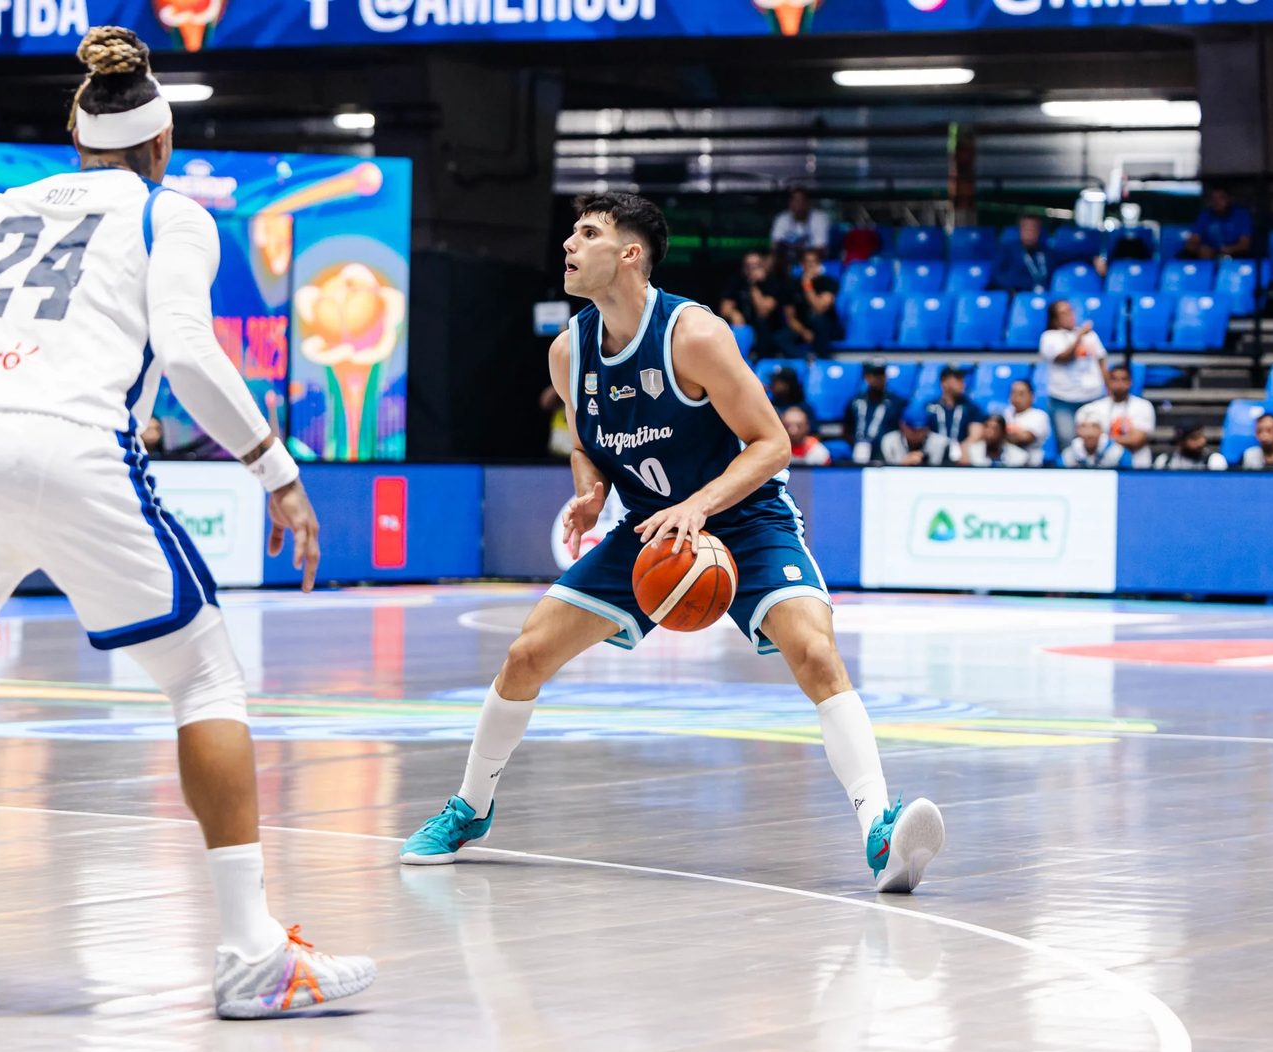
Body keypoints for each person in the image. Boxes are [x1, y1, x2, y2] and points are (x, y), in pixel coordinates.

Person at [0, 26, 374, 1019]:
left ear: (75, 138)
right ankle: (251, 952)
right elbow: (187, 353)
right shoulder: (169, 214)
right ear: (162, 142)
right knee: (204, 675)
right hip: (76, 445)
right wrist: (277, 470)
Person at [398, 192, 943, 895]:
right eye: (571, 232)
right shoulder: (568, 353)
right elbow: (586, 441)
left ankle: (879, 828)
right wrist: (590, 487)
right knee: (526, 653)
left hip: (744, 517)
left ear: (630, 253)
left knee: (814, 652)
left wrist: (699, 505)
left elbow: (772, 443)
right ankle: (470, 807)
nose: (568, 244)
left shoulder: (695, 335)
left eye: (587, 233)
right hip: (651, 527)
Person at [1038, 300, 1107, 448]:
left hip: (1093, 398)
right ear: (1054, 319)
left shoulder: (1091, 335)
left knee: (1097, 442)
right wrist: (1079, 336)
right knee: (1067, 441)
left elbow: (1101, 361)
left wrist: (1108, 387)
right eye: (1063, 313)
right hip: (1064, 400)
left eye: (1070, 311)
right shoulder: (1049, 337)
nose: (1069, 315)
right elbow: (1064, 357)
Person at [1078, 364, 1155, 469]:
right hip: (1104, 466)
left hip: (1138, 466)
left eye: (1123, 379)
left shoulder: (1143, 406)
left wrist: (1102, 439)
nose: (1119, 384)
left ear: (1130, 382)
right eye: (1115, 379)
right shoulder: (1094, 408)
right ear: (1108, 382)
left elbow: (1136, 441)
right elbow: (1087, 438)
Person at [774, 248, 843, 359]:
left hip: (827, 326)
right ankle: (804, 359)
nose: (811, 265)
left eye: (814, 262)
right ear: (802, 264)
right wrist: (804, 332)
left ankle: (823, 360)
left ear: (819, 264)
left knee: (818, 321)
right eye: (808, 262)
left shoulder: (828, 282)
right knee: (780, 337)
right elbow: (790, 318)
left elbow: (819, 308)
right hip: (803, 327)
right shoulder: (792, 285)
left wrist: (807, 285)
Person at [718, 251, 779, 359]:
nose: (752, 270)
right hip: (744, 327)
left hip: (767, 329)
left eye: (755, 266)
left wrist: (753, 286)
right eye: (748, 266)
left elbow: (763, 311)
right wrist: (734, 314)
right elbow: (724, 308)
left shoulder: (771, 282)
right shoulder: (737, 282)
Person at [843, 362, 903, 464]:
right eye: (875, 375)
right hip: (858, 450)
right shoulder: (855, 402)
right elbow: (846, 428)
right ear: (866, 377)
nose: (879, 379)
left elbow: (902, 430)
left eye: (881, 375)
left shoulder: (897, 403)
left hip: (887, 454)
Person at [1185, 185, 1252, 260]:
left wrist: (1226, 250)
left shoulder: (1241, 214)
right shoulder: (1205, 215)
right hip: (1209, 257)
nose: (1217, 202)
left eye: (1221, 198)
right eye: (1213, 198)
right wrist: (1200, 249)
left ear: (1229, 199)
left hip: (1235, 257)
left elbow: (1244, 244)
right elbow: (1191, 243)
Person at [878, 407, 958, 466]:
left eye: (921, 430)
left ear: (927, 428)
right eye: (913, 430)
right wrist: (901, 465)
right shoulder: (889, 442)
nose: (917, 434)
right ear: (902, 426)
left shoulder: (941, 443)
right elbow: (880, 470)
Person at [925, 366, 983, 446]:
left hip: (961, 450)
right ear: (944, 382)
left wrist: (963, 447)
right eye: (958, 378)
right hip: (934, 450)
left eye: (963, 378)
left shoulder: (971, 408)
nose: (962, 382)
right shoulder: (929, 408)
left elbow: (976, 434)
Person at [990, 216, 1049, 292]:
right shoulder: (1007, 250)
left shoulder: (1047, 253)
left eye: (1033, 229)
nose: (1030, 232)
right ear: (1020, 230)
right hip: (1015, 292)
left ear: (1039, 231)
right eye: (1027, 229)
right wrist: (1012, 288)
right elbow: (996, 275)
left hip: (1043, 294)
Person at [1003, 379, 1051, 467]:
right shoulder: (1006, 413)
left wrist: (1001, 435)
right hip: (1006, 463)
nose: (1017, 398)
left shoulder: (1039, 415)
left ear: (1031, 396)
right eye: (1014, 393)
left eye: (1021, 394)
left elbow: (1026, 438)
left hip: (1031, 465)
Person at [770, 188, 830, 254]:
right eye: (796, 201)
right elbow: (775, 244)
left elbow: (820, 248)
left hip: (812, 256)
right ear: (790, 203)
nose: (799, 204)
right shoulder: (782, 218)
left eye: (802, 201)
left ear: (808, 203)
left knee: (811, 258)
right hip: (786, 256)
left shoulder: (819, 218)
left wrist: (799, 251)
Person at [960, 415, 1031, 467]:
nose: (989, 433)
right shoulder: (971, 452)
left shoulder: (1019, 456)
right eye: (987, 427)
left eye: (995, 429)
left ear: (1003, 432)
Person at [1061, 412, 1126, 468]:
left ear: (1102, 430)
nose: (1089, 433)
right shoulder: (1067, 456)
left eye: (1094, 426)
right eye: (1084, 427)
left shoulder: (1118, 453)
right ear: (1077, 430)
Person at [1154, 421, 1227, 470]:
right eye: (1194, 438)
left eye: (1201, 436)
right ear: (1180, 442)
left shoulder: (1215, 461)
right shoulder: (1164, 462)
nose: (1201, 442)